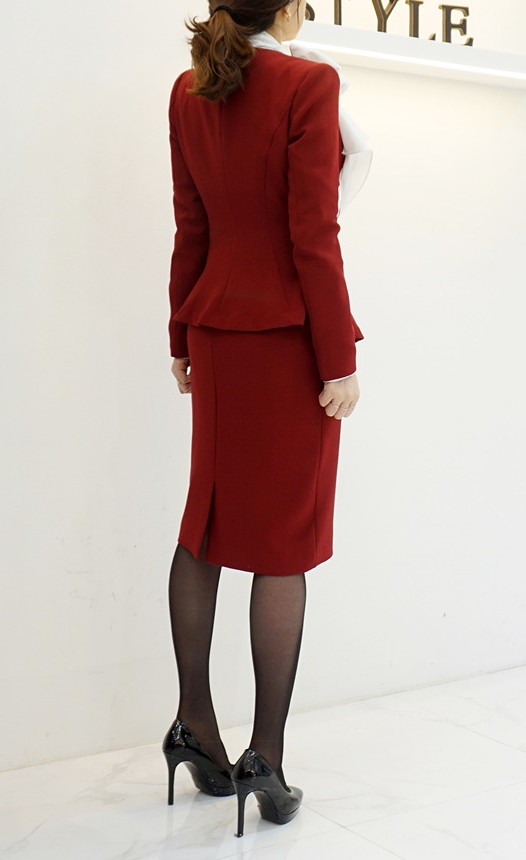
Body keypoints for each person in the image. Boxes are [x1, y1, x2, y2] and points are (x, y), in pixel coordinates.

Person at [160, 0, 364, 838]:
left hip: (216, 332)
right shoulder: (308, 83)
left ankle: (192, 727)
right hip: (285, 341)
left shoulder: (188, 88)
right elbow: (313, 232)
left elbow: (191, 226)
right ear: (283, 7)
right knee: (283, 543)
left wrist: (180, 335)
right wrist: (338, 357)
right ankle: (265, 759)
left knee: (206, 525)